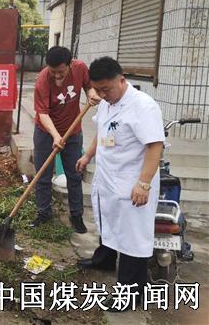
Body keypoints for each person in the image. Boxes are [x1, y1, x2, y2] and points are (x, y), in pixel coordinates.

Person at [75, 57, 164, 312]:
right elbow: (102, 132)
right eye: (98, 90)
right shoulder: (107, 102)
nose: (102, 95)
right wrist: (88, 155)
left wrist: (143, 183)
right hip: (109, 179)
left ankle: (130, 293)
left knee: (132, 239)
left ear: (122, 80)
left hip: (131, 184)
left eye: (106, 89)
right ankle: (104, 260)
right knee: (109, 224)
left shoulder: (142, 106)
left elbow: (155, 145)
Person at [32, 46, 99, 233]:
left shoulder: (80, 68)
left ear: (70, 64)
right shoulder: (42, 80)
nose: (56, 75)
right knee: (43, 176)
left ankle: (76, 215)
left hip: (73, 132)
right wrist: (55, 136)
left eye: (60, 72)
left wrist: (91, 93)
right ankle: (44, 213)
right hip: (45, 132)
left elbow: (89, 85)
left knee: (74, 175)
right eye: (52, 71)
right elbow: (43, 113)